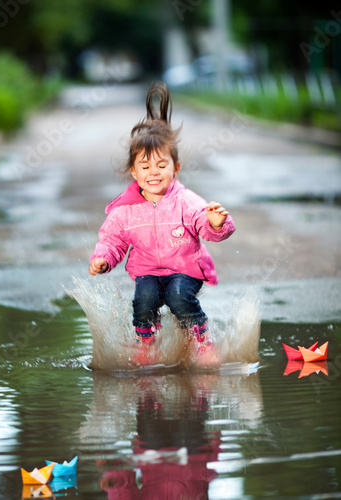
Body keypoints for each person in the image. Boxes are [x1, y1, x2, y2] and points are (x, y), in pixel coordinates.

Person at [89, 81, 235, 364]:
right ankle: (146, 343)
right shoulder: (125, 209)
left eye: (161, 165)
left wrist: (216, 224)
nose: (153, 173)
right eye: (145, 167)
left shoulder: (186, 200)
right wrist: (103, 259)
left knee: (179, 295)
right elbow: (112, 240)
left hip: (185, 270)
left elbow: (204, 226)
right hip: (148, 272)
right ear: (133, 171)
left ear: (175, 168)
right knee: (144, 297)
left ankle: (202, 342)